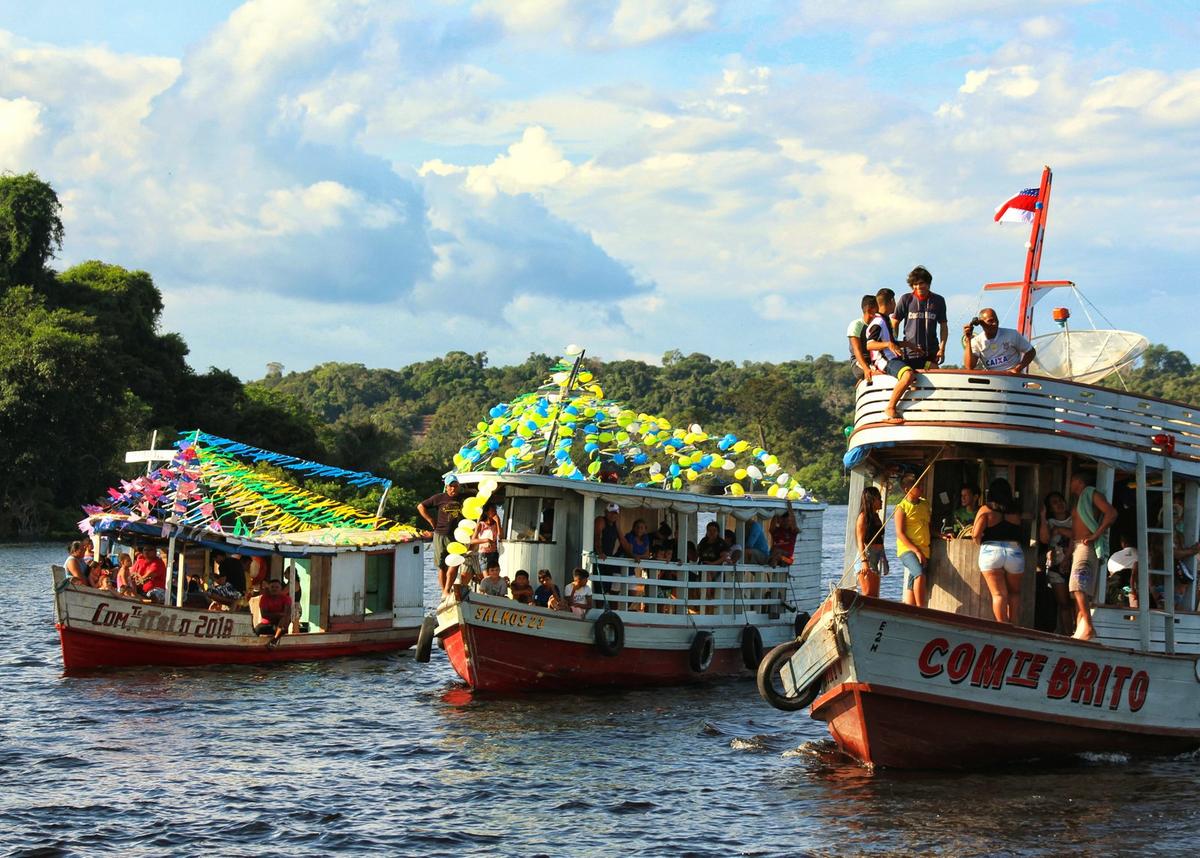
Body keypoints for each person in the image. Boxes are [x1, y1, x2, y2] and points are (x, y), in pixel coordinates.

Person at [1069, 472, 1118, 640]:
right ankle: (1080, 632)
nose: (1069, 482)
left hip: (1086, 546)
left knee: (1078, 587)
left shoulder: (1091, 493)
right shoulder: (1080, 499)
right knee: (1080, 592)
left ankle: (1089, 628)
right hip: (1078, 547)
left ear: (1079, 480)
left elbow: (1111, 513)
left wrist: (1096, 534)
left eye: (1072, 479)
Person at [974, 478, 1025, 624]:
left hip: (991, 551)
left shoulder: (985, 509)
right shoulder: (1015, 511)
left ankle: (1003, 627)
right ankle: (1014, 626)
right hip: (1014, 551)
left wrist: (979, 543)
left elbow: (976, 534)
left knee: (999, 595)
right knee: (1014, 593)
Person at [866, 288, 919, 424]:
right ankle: (890, 408)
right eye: (894, 301)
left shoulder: (885, 320)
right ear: (891, 302)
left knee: (929, 366)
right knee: (907, 374)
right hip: (884, 360)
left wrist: (908, 345)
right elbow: (870, 345)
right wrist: (888, 344)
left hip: (893, 358)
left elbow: (893, 342)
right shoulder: (878, 322)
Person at [893, 265, 948, 369]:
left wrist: (942, 349)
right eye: (915, 284)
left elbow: (943, 326)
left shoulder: (938, 300)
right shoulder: (906, 299)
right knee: (914, 383)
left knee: (932, 381)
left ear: (928, 283)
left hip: (932, 352)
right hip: (910, 353)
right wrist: (895, 345)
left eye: (921, 283)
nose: (918, 287)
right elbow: (894, 323)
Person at [418, 475, 465, 596]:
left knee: (454, 563)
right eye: (451, 486)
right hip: (440, 535)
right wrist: (430, 520)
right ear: (446, 487)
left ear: (458, 486)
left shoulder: (463, 498)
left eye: (455, 486)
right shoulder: (439, 498)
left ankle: (447, 589)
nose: (453, 489)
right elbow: (421, 506)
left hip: (456, 536)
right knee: (442, 565)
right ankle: (443, 591)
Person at [1039, 491, 1075, 633]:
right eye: (1054, 503)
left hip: (1074, 564)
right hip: (1056, 567)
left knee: (1076, 602)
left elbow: (1077, 535)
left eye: (1060, 500)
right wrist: (1043, 517)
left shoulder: (1075, 519)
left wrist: (1060, 530)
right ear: (1050, 508)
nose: (1059, 504)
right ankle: (1067, 634)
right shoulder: (1049, 523)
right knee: (1063, 603)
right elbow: (1044, 539)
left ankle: (1077, 633)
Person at [895, 473, 931, 608]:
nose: (921, 488)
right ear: (907, 490)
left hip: (924, 549)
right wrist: (916, 551)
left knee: (912, 579)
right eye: (918, 486)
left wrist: (940, 535)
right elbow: (899, 533)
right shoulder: (901, 507)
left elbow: (927, 525)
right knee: (919, 574)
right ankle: (922, 609)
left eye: (921, 485)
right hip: (908, 550)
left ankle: (910, 609)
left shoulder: (925, 504)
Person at [963, 308, 1036, 374]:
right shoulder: (976, 341)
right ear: (981, 323)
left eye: (996, 320)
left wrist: (1017, 369)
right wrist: (968, 340)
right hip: (994, 382)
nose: (995, 323)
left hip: (1014, 380)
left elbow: (1031, 351)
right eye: (990, 321)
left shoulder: (1012, 334)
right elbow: (969, 366)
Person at [856, 486, 888, 597]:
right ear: (871, 500)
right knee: (869, 594)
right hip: (867, 558)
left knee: (875, 596)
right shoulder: (863, 517)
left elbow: (879, 539)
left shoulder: (876, 516)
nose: (881, 501)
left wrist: (884, 559)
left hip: (876, 558)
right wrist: (864, 561)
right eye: (879, 498)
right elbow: (860, 541)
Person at [594, 503, 632, 594]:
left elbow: (623, 541)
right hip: (598, 558)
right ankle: (599, 607)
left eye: (615, 513)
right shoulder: (600, 520)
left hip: (608, 559)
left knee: (607, 589)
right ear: (605, 512)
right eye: (610, 512)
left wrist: (633, 555)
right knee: (599, 589)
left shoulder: (616, 525)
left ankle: (606, 608)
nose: (612, 515)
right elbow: (597, 536)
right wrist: (600, 552)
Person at [847, 294, 879, 382]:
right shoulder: (856, 325)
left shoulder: (878, 325)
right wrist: (866, 369)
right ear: (870, 310)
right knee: (879, 374)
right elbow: (857, 350)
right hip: (859, 362)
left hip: (875, 361)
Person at [255, 579, 292, 649]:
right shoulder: (264, 598)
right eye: (272, 587)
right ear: (269, 588)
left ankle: (274, 640)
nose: (274, 589)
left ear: (281, 589)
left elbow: (287, 614)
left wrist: (279, 615)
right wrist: (280, 614)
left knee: (284, 621)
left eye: (277, 587)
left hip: (280, 624)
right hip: (267, 623)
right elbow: (264, 615)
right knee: (257, 629)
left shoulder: (286, 598)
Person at [470, 502, 502, 575]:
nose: (495, 512)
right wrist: (486, 540)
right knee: (487, 577)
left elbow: (500, 537)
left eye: (495, 510)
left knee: (494, 576)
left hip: (494, 553)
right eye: (492, 510)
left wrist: (498, 522)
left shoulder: (495, 524)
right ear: (487, 512)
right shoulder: (481, 524)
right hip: (483, 553)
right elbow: (472, 541)